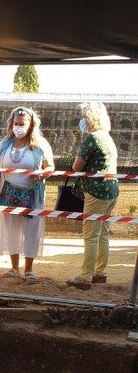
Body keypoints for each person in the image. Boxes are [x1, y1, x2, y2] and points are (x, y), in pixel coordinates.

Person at [0, 107, 54, 283]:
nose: (18, 127)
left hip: (32, 196)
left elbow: (50, 167)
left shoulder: (41, 144)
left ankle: (29, 270)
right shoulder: (4, 144)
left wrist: (42, 175)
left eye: (22, 124)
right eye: (16, 123)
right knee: (11, 231)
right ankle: (14, 268)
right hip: (8, 195)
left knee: (31, 232)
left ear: (31, 125)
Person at [67, 102, 119, 290]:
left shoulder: (92, 138)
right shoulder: (107, 137)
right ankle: (100, 273)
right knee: (103, 234)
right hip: (111, 191)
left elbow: (76, 167)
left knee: (90, 235)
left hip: (96, 192)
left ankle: (85, 276)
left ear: (90, 118)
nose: (82, 120)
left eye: (83, 117)